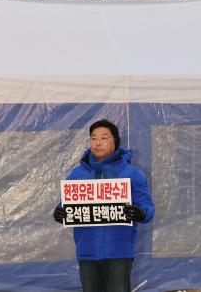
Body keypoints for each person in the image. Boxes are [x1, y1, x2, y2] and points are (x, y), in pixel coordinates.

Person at [53, 119, 155, 292]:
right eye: (93, 138)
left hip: (119, 252)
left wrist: (140, 213)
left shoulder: (132, 174)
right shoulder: (77, 174)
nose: (98, 142)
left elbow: (148, 207)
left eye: (104, 137)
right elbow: (66, 203)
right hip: (87, 251)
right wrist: (59, 212)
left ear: (115, 141)